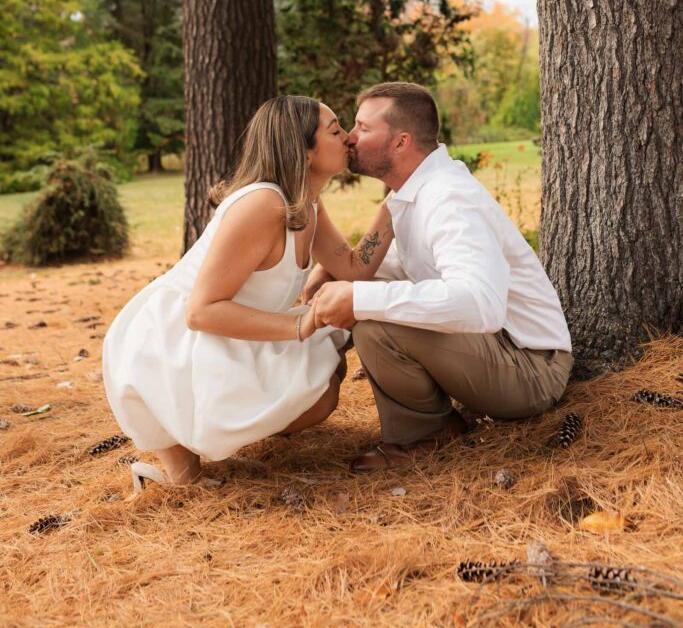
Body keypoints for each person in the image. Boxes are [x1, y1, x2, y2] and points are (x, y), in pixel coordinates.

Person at [102, 95, 394, 488]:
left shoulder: (305, 202)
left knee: (327, 370)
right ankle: (180, 442)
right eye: (335, 129)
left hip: (226, 329)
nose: (349, 137)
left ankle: (188, 456)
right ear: (303, 150)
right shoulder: (263, 204)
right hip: (169, 342)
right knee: (318, 389)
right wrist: (302, 325)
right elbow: (200, 312)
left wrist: (399, 195)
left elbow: (354, 267)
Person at [305, 82, 573, 472]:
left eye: (363, 127)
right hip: (497, 351)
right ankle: (435, 423)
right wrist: (329, 274)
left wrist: (358, 299)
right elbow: (385, 267)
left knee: (374, 323)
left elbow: (480, 304)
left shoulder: (449, 198)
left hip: (532, 368)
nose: (349, 137)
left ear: (400, 142)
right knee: (370, 302)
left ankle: (424, 435)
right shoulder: (416, 193)